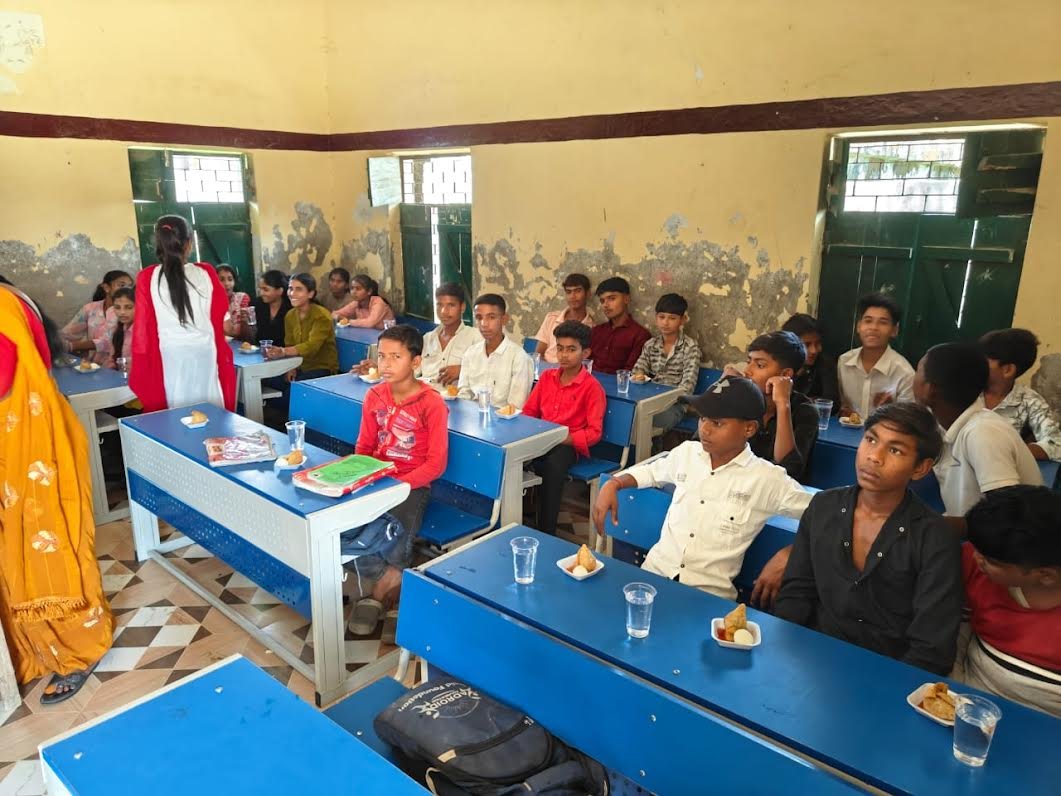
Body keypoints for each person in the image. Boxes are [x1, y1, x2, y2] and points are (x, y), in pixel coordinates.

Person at [774, 403, 962, 676]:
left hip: (888, 672)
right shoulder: (823, 506)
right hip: (812, 659)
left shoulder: (934, 537)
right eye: (871, 440)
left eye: (895, 450)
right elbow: (796, 595)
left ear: (921, 468)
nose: (874, 457)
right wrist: (785, 660)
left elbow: (932, 648)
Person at [593, 377, 812, 600]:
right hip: (654, 576)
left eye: (717, 423)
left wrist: (790, 553)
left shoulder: (766, 479)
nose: (704, 429)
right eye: (702, 418)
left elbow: (827, 512)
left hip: (708, 595)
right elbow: (651, 473)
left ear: (749, 428)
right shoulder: (687, 453)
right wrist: (615, 483)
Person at [0, 284, 114, 704]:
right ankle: (29, 648)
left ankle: (77, 649)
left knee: (46, 548)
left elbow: (4, 374)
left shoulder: (4, 305)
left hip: (30, 445)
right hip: (13, 442)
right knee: (12, 554)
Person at [344, 324, 448, 634]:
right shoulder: (374, 395)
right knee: (342, 529)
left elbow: (436, 464)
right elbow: (364, 447)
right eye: (382, 356)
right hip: (376, 479)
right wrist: (363, 477)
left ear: (415, 362)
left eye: (395, 357)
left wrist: (400, 486)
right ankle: (392, 578)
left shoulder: (431, 403)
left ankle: (380, 596)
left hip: (412, 485)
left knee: (393, 530)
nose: (385, 364)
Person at [954, 486, 1061, 717]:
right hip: (969, 705)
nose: (975, 557)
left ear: (1045, 576)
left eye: (991, 561)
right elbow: (957, 633)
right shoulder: (978, 564)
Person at [912, 342, 1041, 526]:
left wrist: (932, 527)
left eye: (917, 371)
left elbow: (1006, 517)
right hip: (975, 530)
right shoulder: (942, 425)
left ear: (929, 389)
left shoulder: (983, 433)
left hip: (1013, 539)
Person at [130, 216, 236, 412]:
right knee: (211, 408)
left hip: (169, 355)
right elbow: (224, 322)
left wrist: (141, 365)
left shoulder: (147, 278)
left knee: (175, 411)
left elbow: (142, 331)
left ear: (159, 243)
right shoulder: (206, 272)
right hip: (205, 352)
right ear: (189, 244)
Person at [523, 321, 606, 535]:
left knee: (553, 464)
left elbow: (594, 432)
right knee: (514, 458)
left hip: (568, 445)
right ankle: (516, 520)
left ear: (585, 353)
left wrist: (562, 438)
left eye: (571, 349)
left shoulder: (592, 388)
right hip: (542, 438)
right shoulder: (547, 378)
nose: (564, 355)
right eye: (560, 348)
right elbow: (529, 412)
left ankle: (546, 530)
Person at [731, 330, 819, 481]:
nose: (747, 371)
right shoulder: (742, 399)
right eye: (748, 362)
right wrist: (720, 393)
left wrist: (783, 405)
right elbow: (699, 446)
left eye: (759, 365)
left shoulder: (805, 411)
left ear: (785, 374)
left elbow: (788, 470)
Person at [979, 328, 1061, 462]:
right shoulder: (965, 391)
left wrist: (1012, 450)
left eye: (984, 360)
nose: (975, 365)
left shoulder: (1029, 401)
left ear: (1008, 370)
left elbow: (1057, 444)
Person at [837, 292, 914, 418]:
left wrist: (891, 410)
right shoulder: (844, 362)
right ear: (858, 326)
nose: (873, 327)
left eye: (883, 322)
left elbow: (908, 420)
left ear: (894, 330)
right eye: (868, 321)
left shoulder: (905, 373)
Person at [631, 293, 701, 432]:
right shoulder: (651, 344)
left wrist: (663, 400)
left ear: (682, 320)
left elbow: (687, 387)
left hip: (674, 405)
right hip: (649, 400)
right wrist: (639, 376)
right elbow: (637, 370)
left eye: (672, 318)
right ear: (656, 318)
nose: (665, 323)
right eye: (661, 317)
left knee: (641, 420)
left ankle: (649, 444)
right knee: (630, 414)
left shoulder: (690, 347)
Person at [457, 294, 534, 409]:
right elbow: (464, 394)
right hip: (472, 415)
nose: (484, 324)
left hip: (503, 418)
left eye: (491, 317)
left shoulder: (519, 358)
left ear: (504, 319)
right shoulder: (471, 353)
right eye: (479, 318)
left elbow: (515, 407)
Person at [264, 272, 338, 382]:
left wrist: (283, 351)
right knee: (266, 380)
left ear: (310, 294)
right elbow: (289, 342)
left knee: (294, 390)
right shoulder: (290, 315)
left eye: (298, 289)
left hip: (321, 368)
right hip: (298, 366)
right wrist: (291, 366)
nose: (292, 293)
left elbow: (312, 347)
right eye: (290, 288)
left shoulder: (321, 316)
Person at [60, 269, 133, 365]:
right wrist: (54, 342)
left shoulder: (131, 314)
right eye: (121, 285)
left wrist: (71, 346)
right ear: (106, 288)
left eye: (130, 286)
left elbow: (107, 341)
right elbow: (68, 333)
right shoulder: (90, 308)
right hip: (92, 365)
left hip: (118, 366)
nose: (127, 289)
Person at [417, 282, 480, 391]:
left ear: (462, 307)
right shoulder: (427, 339)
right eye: (439, 305)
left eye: (451, 305)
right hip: (426, 395)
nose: (443, 312)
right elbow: (415, 371)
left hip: (458, 398)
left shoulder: (475, 337)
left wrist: (462, 370)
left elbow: (487, 371)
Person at [589, 277, 651, 374]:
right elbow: (585, 363)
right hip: (590, 381)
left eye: (612, 298)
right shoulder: (596, 331)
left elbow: (630, 373)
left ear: (626, 299)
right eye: (602, 301)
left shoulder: (639, 335)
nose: (605, 305)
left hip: (619, 383)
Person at [782, 313, 840, 411]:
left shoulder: (825, 364)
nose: (814, 350)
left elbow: (832, 403)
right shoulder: (779, 365)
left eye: (817, 343)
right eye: (807, 344)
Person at [533, 273, 595, 364]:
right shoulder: (552, 318)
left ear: (588, 294)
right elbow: (538, 354)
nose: (573, 296)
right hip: (545, 367)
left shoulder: (592, 327)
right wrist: (549, 369)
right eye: (569, 292)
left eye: (578, 291)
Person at [238, 269, 292, 348]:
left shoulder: (290, 308)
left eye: (266, 289)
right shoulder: (257, 304)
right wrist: (245, 323)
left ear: (280, 291)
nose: (261, 293)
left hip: (285, 352)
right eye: (260, 289)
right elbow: (252, 339)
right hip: (260, 351)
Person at [217, 264, 251, 338]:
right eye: (222, 280)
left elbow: (237, 332)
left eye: (230, 279)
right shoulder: (210, 302)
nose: (227, 284)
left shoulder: (241, 298)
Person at [104, 286, 135, 370]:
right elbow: (112, 360)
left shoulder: (145, 332)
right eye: (117, 307)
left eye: (129, 307)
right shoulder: (118, 330)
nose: (122, 312)